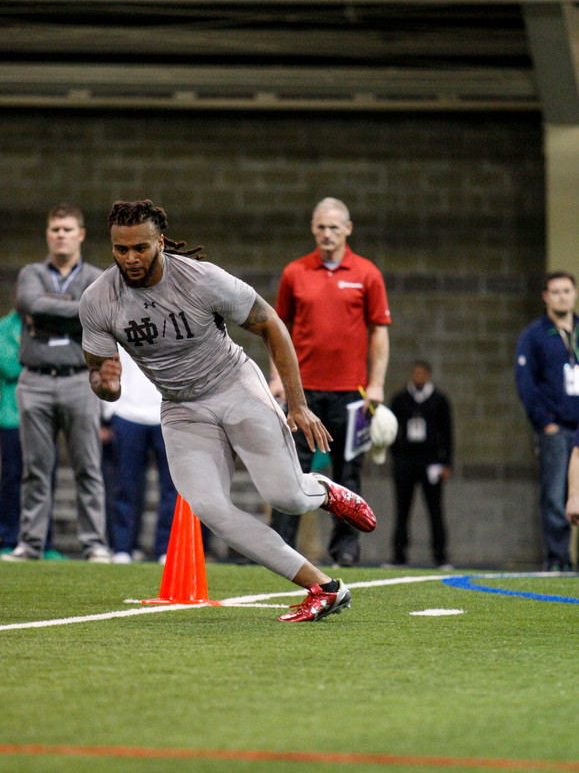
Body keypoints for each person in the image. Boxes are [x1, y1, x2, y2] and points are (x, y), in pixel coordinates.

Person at [79, 198, 377, 623]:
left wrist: (298, 404)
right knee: (212, 510)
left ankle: (325, 491)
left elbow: (271, 323)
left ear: (160, 242)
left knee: (286, 497)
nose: (130, 258)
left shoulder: (201, 279)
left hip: (234, 386)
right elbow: (99, 378)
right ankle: (325, 587)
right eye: (120, 249)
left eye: (140, 248)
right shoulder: (98, 300)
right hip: (181, 407)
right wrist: (106, 385)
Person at [268, 196, 391, 566]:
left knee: (348, 472)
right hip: (301, 394)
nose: (327, 233)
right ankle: (281, 547)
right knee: (290, 467)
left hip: (352, 395)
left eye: (334, 227)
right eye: (321, 226)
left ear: (348, 229)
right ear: (312, 229)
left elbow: (380, 334)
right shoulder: (295, 273)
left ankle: (346, 550)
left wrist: (377, 385)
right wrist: (277, 378)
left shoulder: (367, 273)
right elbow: (277, 330)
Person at [1, 204, 111, 563]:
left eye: (67, 229)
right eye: (54, 229)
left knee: (88, 466)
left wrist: (51, 312)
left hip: (80, 380)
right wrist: (78, 310)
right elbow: (32, 304)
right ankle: (31, 544)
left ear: (81, 234)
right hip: (34, 381)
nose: (60, 235)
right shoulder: (31, 272)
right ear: (47, 234)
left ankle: (94, 544)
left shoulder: (98, 276)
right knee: (35, 468)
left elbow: (98, 313)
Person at [0, 303, 64, 560]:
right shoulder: (0, 330)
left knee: (46, 479)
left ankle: (44, 541)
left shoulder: (47, 326)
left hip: (45, 418)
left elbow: (60, 359)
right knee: (11, 479)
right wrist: (43, 361)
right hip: (12, 417)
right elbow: (9, 366)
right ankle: (6, 539)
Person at [516, 271, 579, 572]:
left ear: (575, 293)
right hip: (555, 428)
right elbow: (526, 384)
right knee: (555, 497)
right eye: (555, 292)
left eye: (567, 290)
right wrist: (545, 423)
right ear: (545, 296)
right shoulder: (534, 335)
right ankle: (558, 560)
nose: (562, 296)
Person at [101, 344, 177, 564]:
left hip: (167, 411)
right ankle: (123, 547)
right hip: (127, 412)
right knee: (125, 485)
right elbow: (104, 362)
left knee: (172, 486)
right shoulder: (120, 313)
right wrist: (109, 410)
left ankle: (166, 548)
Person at [389, 360, 453, 568]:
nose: (418, 377)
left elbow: (448, 434)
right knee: (402, 510)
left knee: (435, 510)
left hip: (431, 463)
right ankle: (399, 554)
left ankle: (440, 555)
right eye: (415, 373)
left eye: (422, 374)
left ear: (428, 375)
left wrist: (446, 463)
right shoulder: (399, 400)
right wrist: (396, 458)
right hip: (406, 462)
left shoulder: (439, 401)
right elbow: (390, 431)